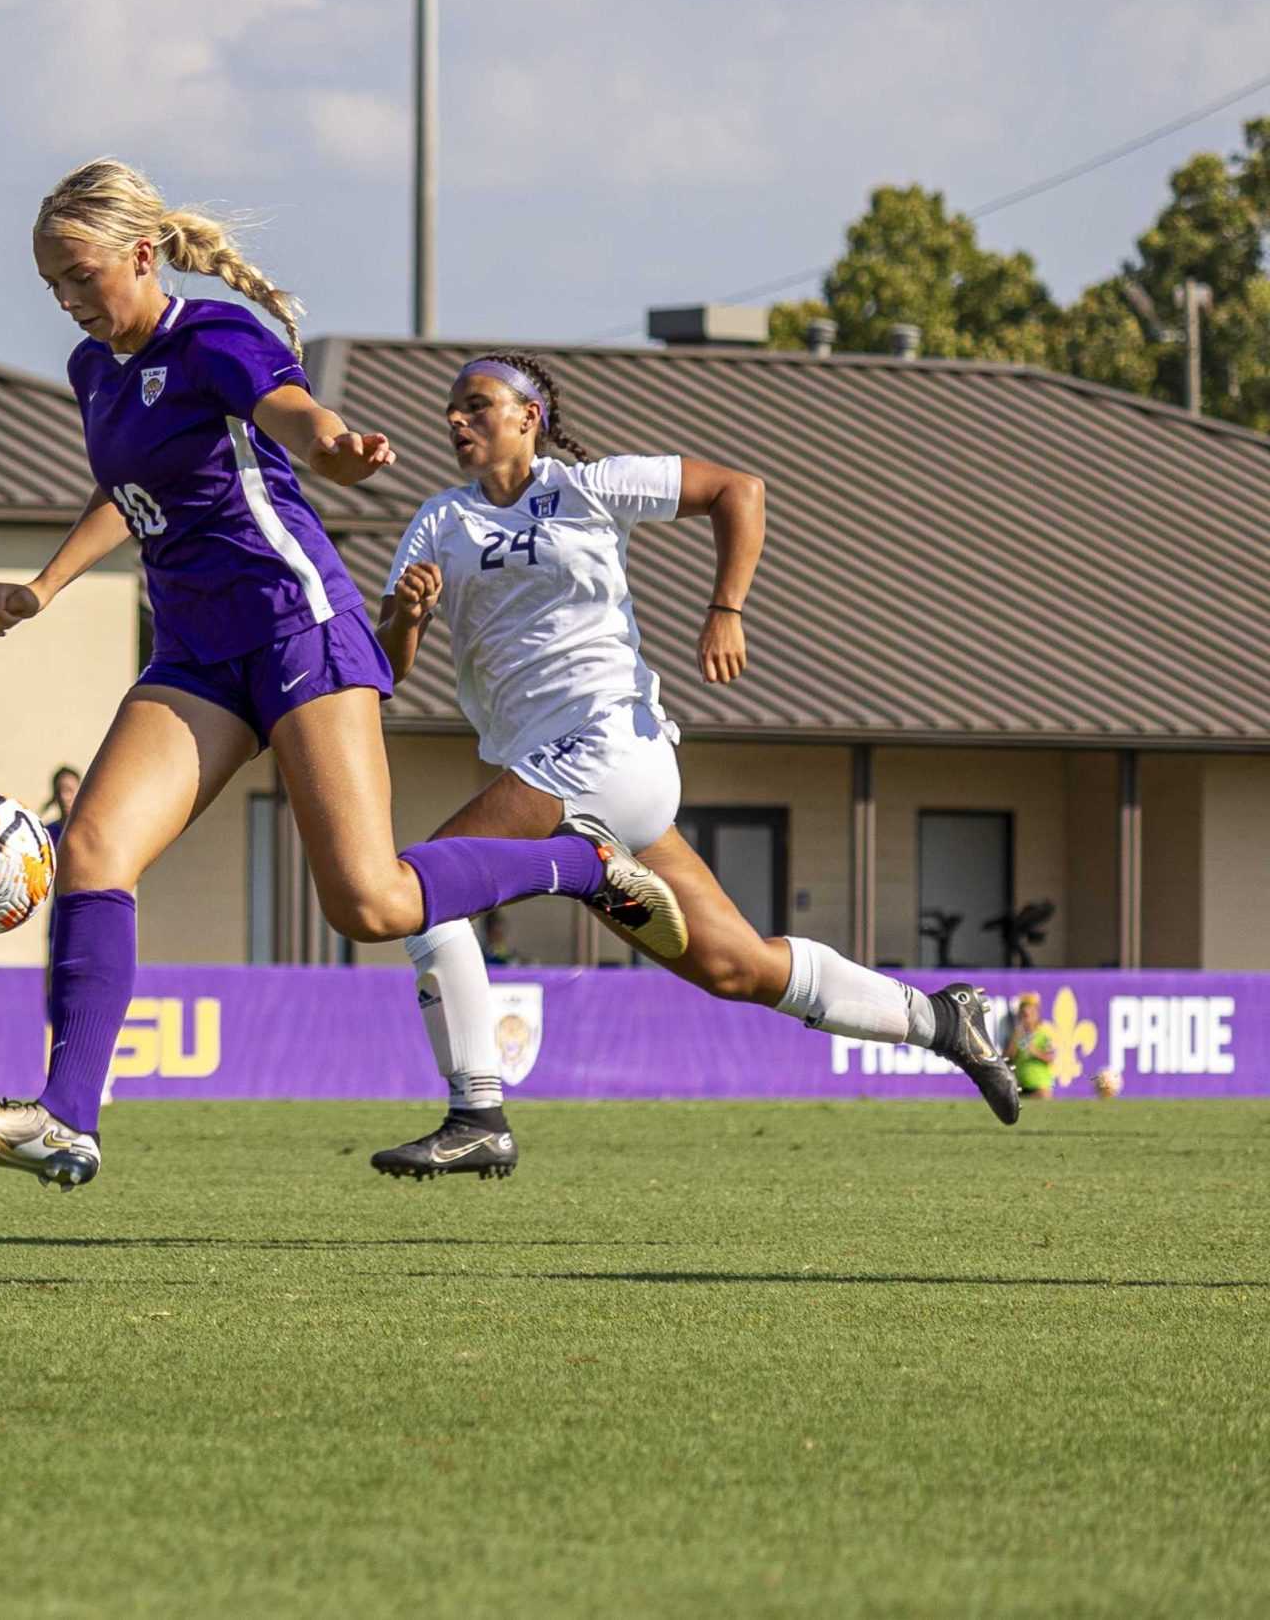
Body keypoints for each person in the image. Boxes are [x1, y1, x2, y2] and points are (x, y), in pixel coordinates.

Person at [0, 160, 690, 1189]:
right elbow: (132, 491)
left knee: (370, 903)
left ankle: (582, 865)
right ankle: (66, 1117)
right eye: (50, 286)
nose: (65, 302)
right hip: (195, 652)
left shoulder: (213, 337)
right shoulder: (93, 370)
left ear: (142, 256)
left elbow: (294, 418)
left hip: (297, 628)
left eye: (78, 276)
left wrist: (337, 449)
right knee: (95, 848)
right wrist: (44, 588)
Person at [366, 351, 1018, 1183]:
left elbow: (738, 490)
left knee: (420, 890)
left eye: (478, 406)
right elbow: (390, 670)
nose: (457, 421)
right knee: (737, 966)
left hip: (610, 745)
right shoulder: (437, 524)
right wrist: (408, 615)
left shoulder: (590, 486)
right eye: (451, 410)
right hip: (580, 778)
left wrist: (726, 611)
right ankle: (941, 1019)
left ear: (529, 416)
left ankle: (478, 1113)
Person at [1007, 992, 1057, 1100]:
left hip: (1040, 1086)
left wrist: (1034, 1051)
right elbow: (1008, 1058)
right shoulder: (1017, 1034)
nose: (1027, 1018)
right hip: (1020, 1085)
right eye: (1024, 1014)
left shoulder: (1044, 1033)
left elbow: (1050, 1057)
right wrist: (1015, 1038)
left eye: (1030, 1014)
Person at [41, 765, 82, 840]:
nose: (63, 796)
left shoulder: (91, 831)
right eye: (58, 791)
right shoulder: (47, 834)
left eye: (69, 790)